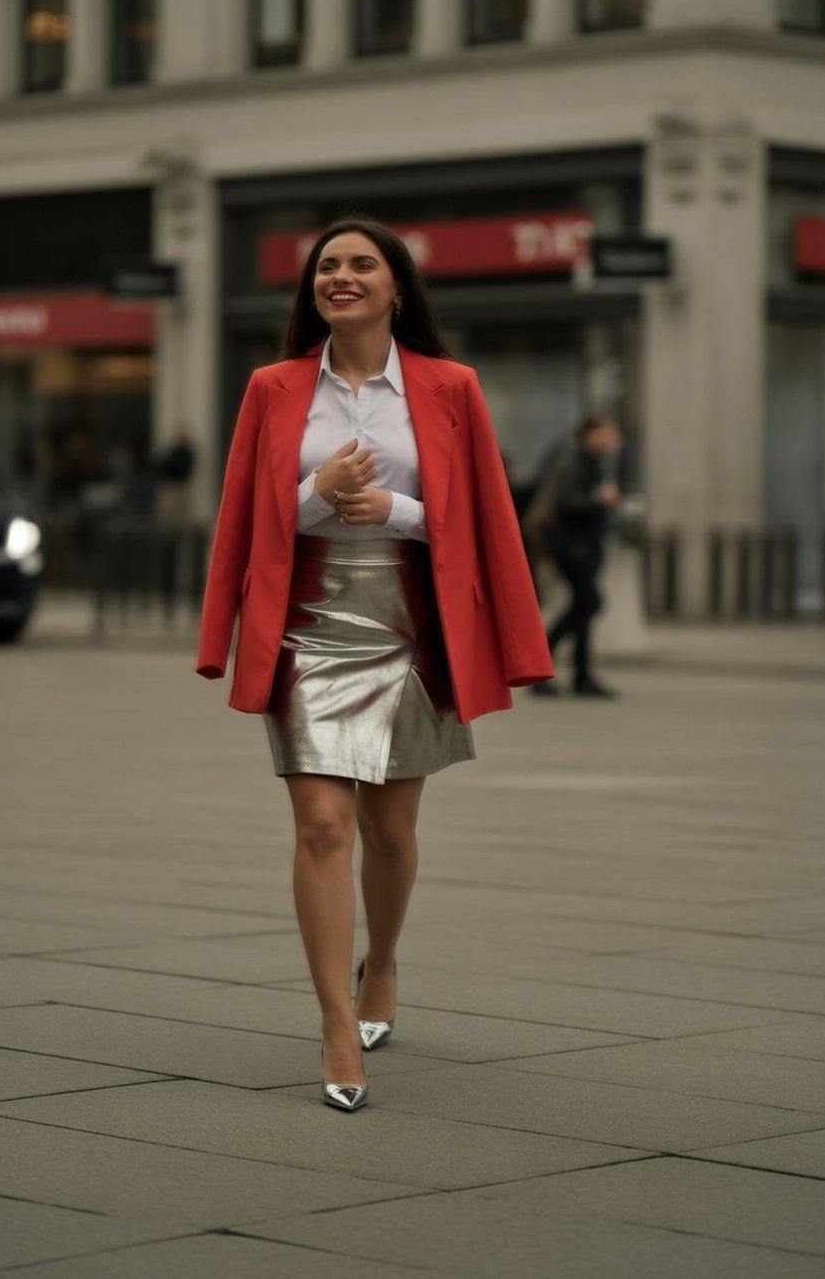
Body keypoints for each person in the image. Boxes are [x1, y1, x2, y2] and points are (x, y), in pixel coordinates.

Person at [195, 216, 552, 1113]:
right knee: (322, 827)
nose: (342, 277)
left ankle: (380, 966)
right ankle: (333, 1024)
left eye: (362, 265)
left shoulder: (450, 387)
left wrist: (394, 508)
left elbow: (483, 523)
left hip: (413, 625)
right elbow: (241, 519)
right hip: (305, 625)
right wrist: (316, 493)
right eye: (328, 266)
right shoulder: (272, 388)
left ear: (397, 288)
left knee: (391, 832)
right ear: (312, 289)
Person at [529, 413, 623, 698]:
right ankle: (540, 666)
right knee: (588, 602)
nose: (614, 440)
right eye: (608, 433)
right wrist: (599, 498)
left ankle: (582, 675)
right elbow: (566, 502)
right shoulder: (575, 460)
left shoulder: (596, 461)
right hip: (574, 545)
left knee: (584, 608)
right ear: (591, 433)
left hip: (586, 544)